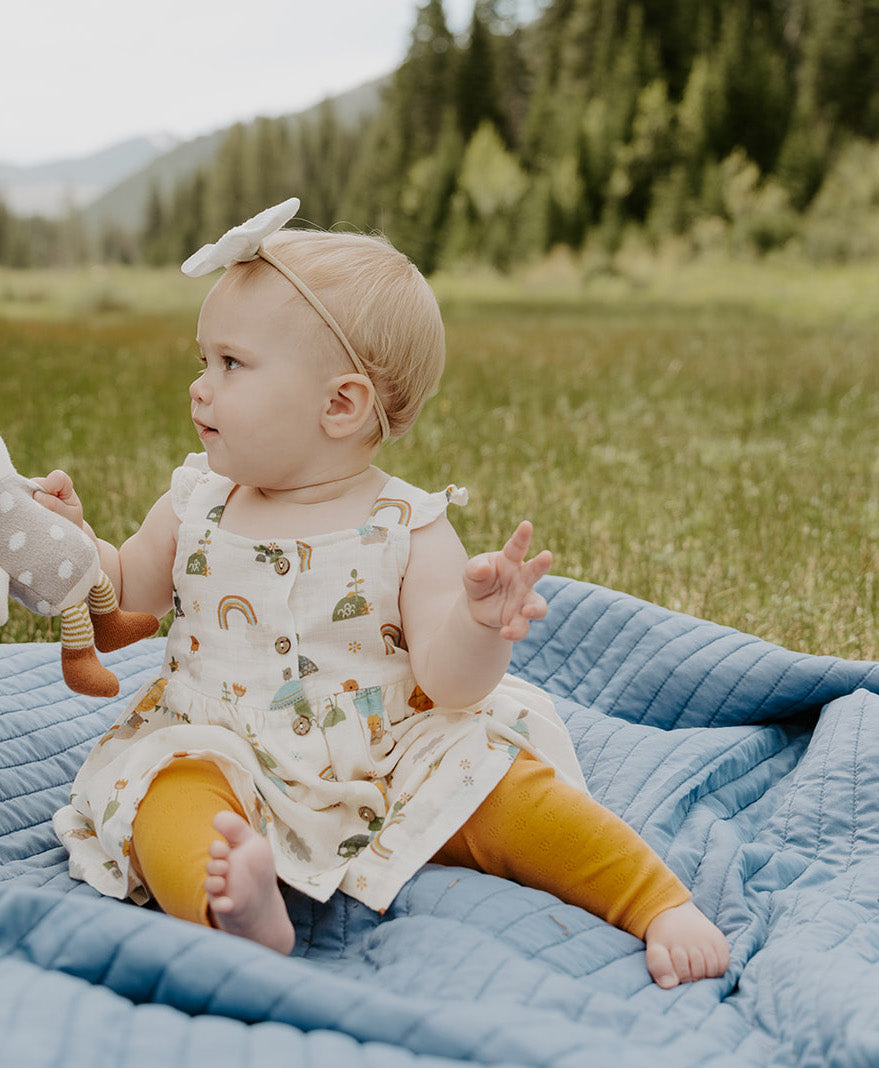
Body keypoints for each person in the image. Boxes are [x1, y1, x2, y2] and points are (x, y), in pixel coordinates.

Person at [42, 199, 729, 989]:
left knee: (501, 785)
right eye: (202, 361)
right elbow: (125, 592)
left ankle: (652, 899)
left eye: (229, 364)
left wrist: (477, 625)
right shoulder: (198, 499)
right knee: (164, 796)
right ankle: (231, 902)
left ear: (341, 404)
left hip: (386, 751)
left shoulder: (404, 525)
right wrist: (68, 544)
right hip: (221, 741)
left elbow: (446, 682)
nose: (199, 389)